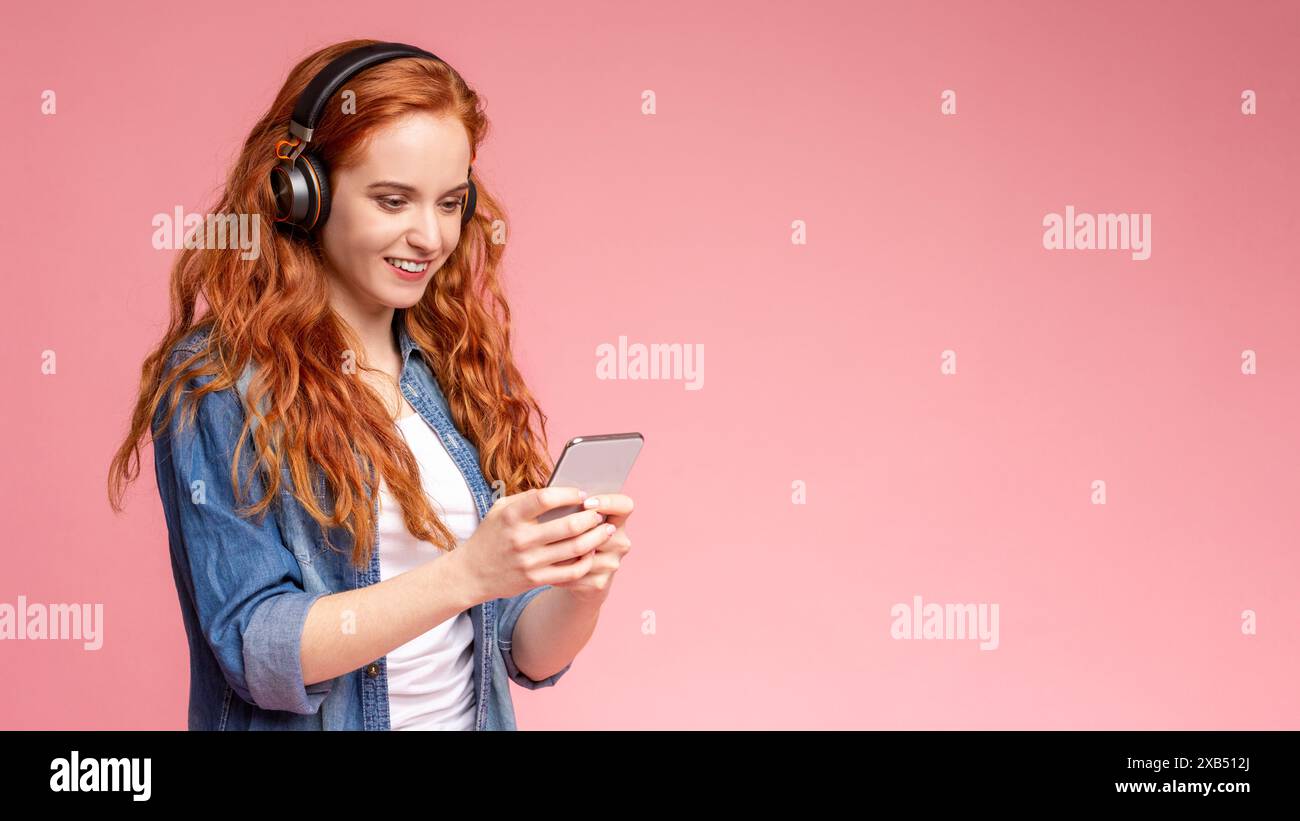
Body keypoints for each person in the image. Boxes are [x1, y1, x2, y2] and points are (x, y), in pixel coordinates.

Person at [106, 38, 635, 730]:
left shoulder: (452, 363)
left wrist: (579, 587)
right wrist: (468, 572)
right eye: (393, 201)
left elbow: (521, 650)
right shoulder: (219, 383)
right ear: (302, 194)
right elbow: (257, 647)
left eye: (449, 204)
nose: (430, 236)